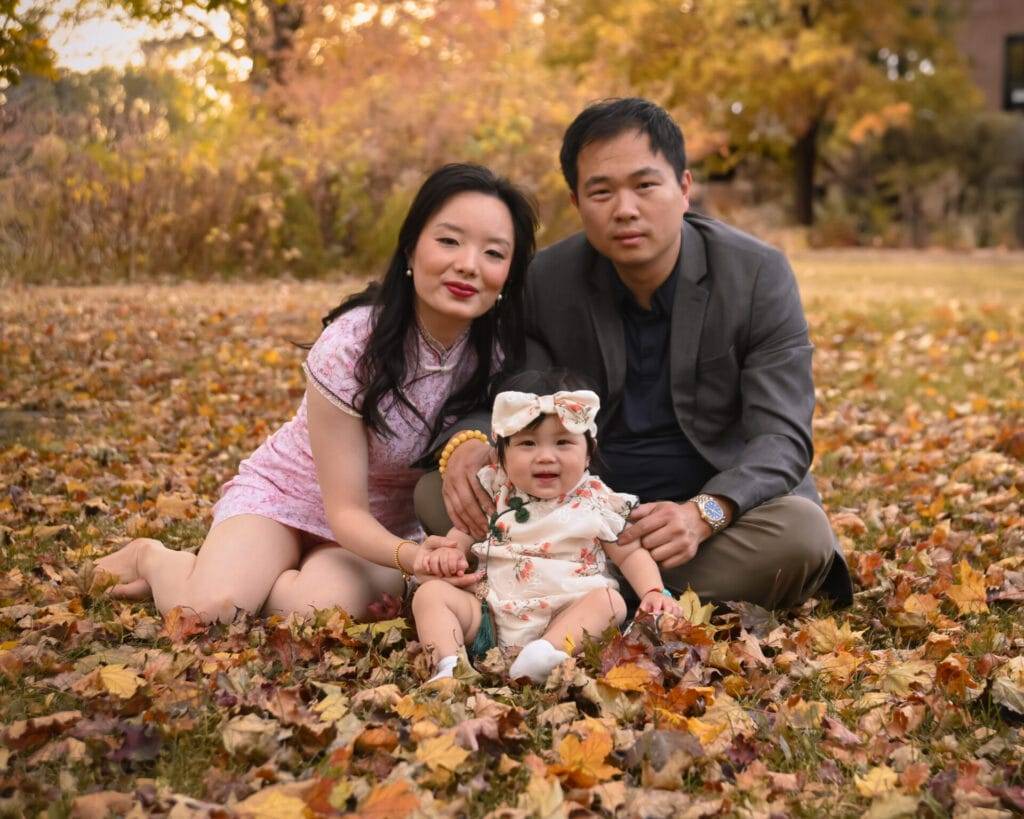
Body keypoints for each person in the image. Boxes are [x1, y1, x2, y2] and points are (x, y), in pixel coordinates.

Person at [420, 99, 854, 611]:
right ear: (578, 202)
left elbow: (781, 437)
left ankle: (574, 588)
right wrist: (466, 444)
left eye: (645, 186)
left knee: (802, 533)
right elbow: (514, 394)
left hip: (705, 511)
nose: (625, 209)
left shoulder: (756, 274)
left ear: (684, 188)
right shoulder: (547, 281)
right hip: (583, 507)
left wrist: (704, 512)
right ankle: (615, 586)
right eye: (601, 191)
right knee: (434, 493)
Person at [96, 163, 538, 623]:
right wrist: (414, 559)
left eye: (492, 252)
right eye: (448, 241)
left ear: (509, 272)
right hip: (285, 498)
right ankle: (155, 558)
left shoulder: (503, 358)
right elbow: (344, 509)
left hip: (382, 527)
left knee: (317, 613)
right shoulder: (353, 344)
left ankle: (258, 577)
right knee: (208, 611)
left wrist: (442, 549)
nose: (467, 264)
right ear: (410, 248)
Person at [412, 371, 682, 684]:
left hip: (568, 614)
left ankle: (543, 654)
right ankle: (448, 667)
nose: (545, 457)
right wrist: (451, 553)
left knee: (610, 602)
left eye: (563, 442)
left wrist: (652, 590)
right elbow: (462, 531)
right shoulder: (494, 491)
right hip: (492, 615)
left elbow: (630, 553)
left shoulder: (596, 500)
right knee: (430, 594)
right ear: (500, 457)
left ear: (588, 454)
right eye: (527, 443)